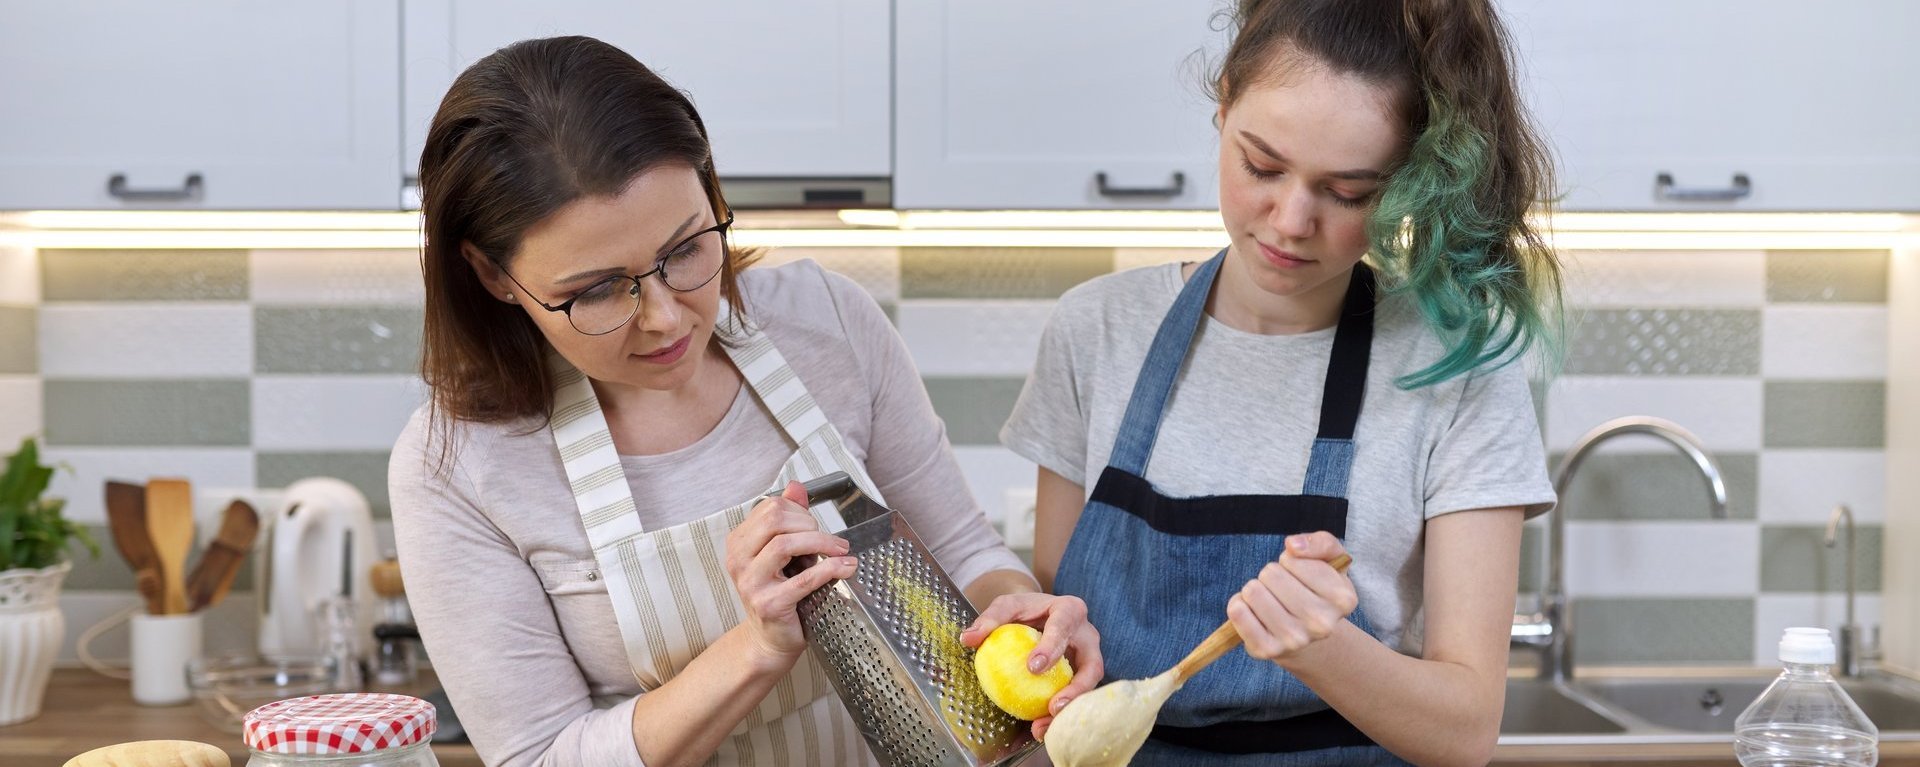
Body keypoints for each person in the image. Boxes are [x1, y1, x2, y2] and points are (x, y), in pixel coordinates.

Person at [388, 36, 1098, 767]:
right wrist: (756, 646)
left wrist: (1022, 612)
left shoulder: (829, 322)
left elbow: (961, 553)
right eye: (596, 289)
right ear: (492, 274)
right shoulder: (457, 463)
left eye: (687, 249)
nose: (665, 317)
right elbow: (539, 756)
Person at [995, 0, 1564, 764]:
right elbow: (1059, 626)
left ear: (1406, 181)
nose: (1292, 219)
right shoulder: (1097, 331)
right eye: (1261, 165)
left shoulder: (1457, 367)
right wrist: (1046, 637)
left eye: (1348, 191)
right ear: (1223, 103)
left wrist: (1325, 649)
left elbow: (1464, 731)